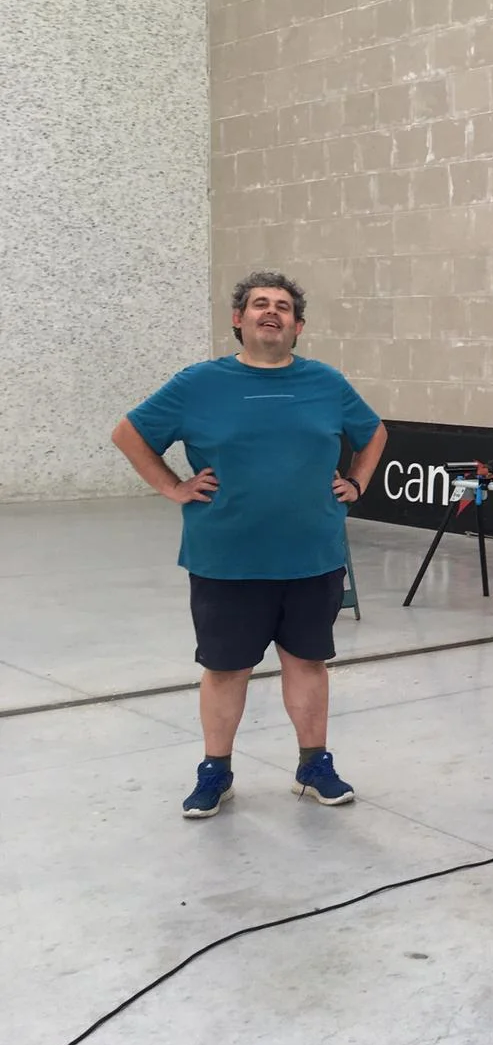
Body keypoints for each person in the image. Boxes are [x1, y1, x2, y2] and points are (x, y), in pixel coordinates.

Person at [111, 270, 387, 818]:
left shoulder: (326, 382)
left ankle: (313, 765)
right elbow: (129, 434)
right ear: (238, 320)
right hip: (226, 560)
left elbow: (373, 432)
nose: (271, 312)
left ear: (298, 325)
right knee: (225, 669)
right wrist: (172, 487)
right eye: (260, 304)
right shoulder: (198, 383)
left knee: (308, 663)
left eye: (283, 306)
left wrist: (356, 483)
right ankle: (216, 771)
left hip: (311, 556)